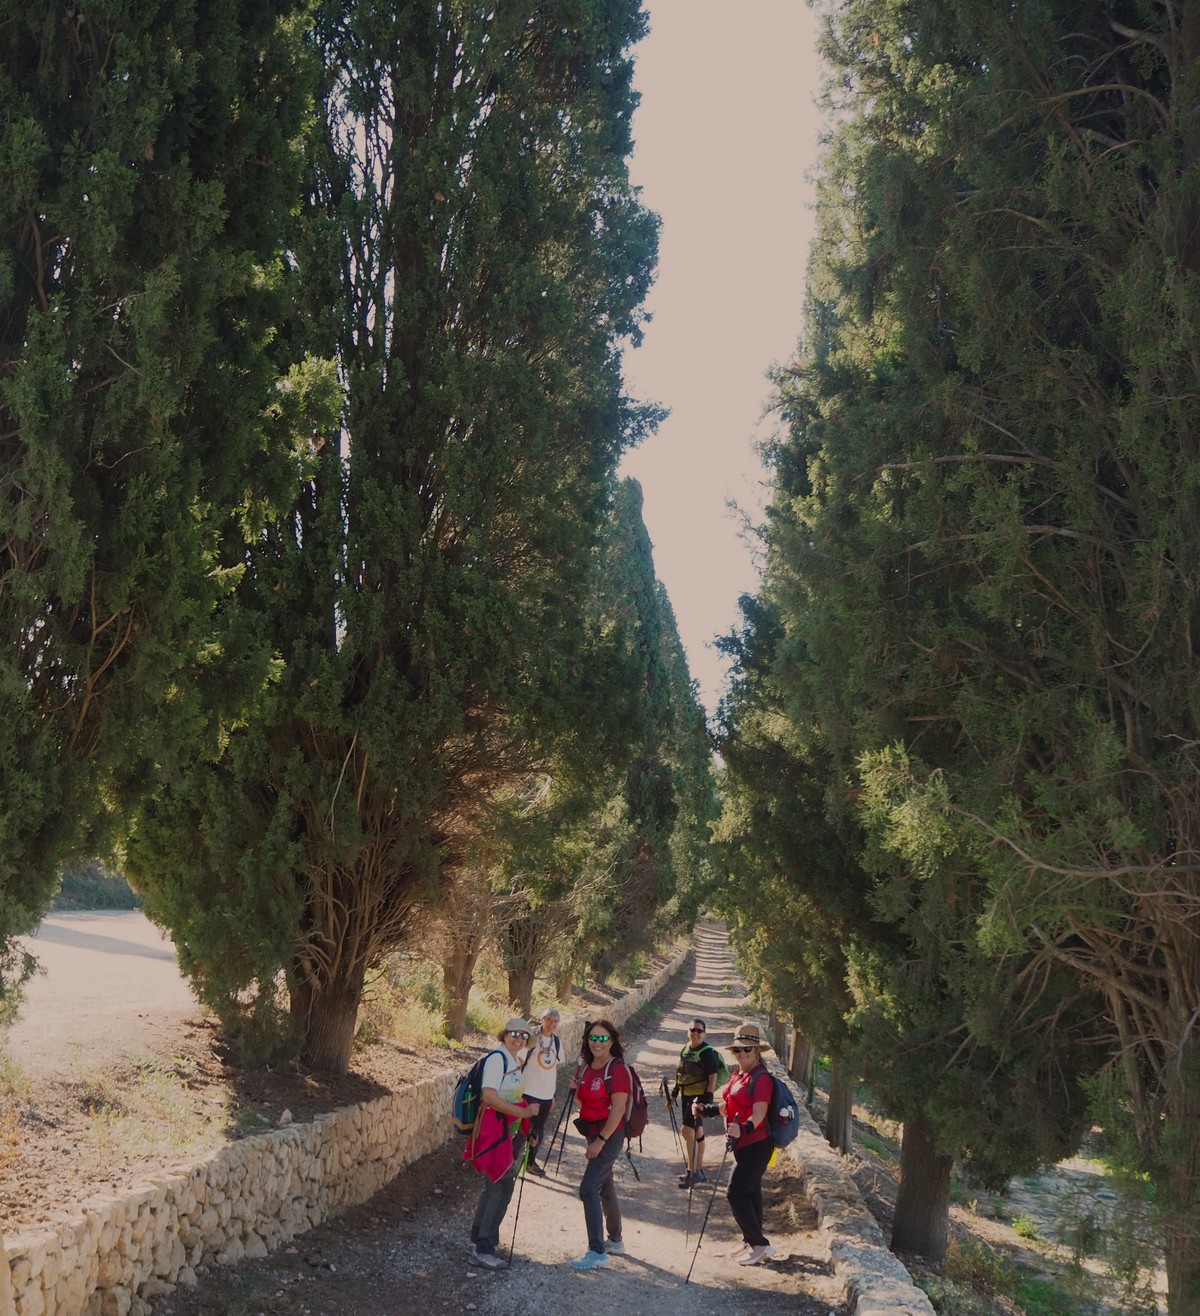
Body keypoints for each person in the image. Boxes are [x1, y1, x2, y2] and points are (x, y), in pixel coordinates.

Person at [693, 1020, 775, 1267]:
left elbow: (759, 1113)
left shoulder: (761, 1078)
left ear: (757, 1051)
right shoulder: (740, 1075)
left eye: (747, 1049)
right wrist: (707, 1110)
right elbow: (729, 1105)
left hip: (757, 1144)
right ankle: (751, 1241)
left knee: (735, 1192)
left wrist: (744, 1128)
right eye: (738, 1049)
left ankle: (759, 1244)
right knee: (750, 1191)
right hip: (743, 1145)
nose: (742, 1053)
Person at [466, 1017, 538, 1270]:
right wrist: (524, 1113)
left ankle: (481, 1239)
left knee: (498, 1186)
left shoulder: (514, 1060)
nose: (518, 1039)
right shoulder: (498, 1059)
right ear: (504, 1034)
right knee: (499, 1187)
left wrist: (526, 1123)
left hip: (505, 1132)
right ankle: (483, 1248)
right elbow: (489, 1096)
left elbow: (513, 1097)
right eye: (514, 1034)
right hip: (493, 1131)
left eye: (523, 1036)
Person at [568, 1018, 629, 1270]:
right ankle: (615, 1240)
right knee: (605, 1186)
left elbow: (619, 1109)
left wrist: (601, 1142)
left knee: (588, 1189)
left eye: (603, 1038)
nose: (597, 1043)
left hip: (609, 1135)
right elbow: (584, 1102)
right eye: (593, 1037)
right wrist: (575, 1090)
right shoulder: (586, 1067)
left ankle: (597, 1252)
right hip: (592, 1131)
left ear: (611, 1041)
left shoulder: (617, 1069)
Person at [666, 1017, 719, 1187]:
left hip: (699, 1098)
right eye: (693, 1030)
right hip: (686, 1096)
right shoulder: (686, 1049)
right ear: (687, 1032)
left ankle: (692, 1172)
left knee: (686, 1131)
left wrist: (706, 1101)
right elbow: (680, 1075)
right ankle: (699, 1170)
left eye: (699, 1030)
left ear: (704, 1033)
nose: (696, 1033)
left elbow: (713, 1078)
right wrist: (674, 1095)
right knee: (697, 1132)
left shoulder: (707, 1053)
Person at [520, 1007, 563, 1176]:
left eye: (555, 1021)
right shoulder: (531, 1039)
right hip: (528, 1091)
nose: (551, 1024)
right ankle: (510, 1162)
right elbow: (520, 1062)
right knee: (523, 1130)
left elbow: (554, 1069)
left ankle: (530, 1163)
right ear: (542, 1020)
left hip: (546, 1094)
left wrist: (553, 1094)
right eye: (549, 1020)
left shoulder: (557, 1042)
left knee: (539, 1131)